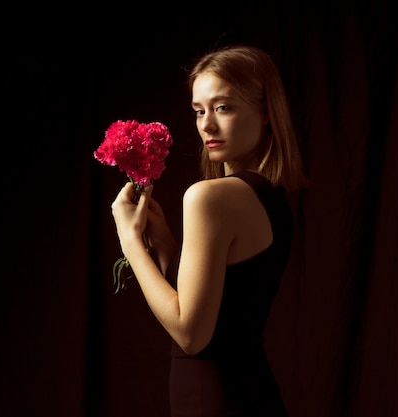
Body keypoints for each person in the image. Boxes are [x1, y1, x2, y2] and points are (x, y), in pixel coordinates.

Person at [110, 45, 307, 417]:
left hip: (215, 399)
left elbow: (191, 334)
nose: (206, 125)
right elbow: (226, 311)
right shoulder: (272, 198)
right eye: (199, 111)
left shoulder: (209, 197)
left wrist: (130, 240)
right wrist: (166, 243)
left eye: (223, 107)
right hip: (250, 391)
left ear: (266, 111)